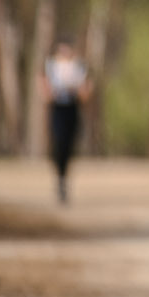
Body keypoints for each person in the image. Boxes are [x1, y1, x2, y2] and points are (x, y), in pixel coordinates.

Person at [42, 40, 92, 203]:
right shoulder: (51, 67)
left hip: (72, 108)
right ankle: (60, 176)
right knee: (59, 142)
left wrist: (77, 89)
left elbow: (86, 93)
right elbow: (45, 91)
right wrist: (52, 91)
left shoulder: (78, 68)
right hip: (58, 109)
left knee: (69, 144)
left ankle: (64, 177)